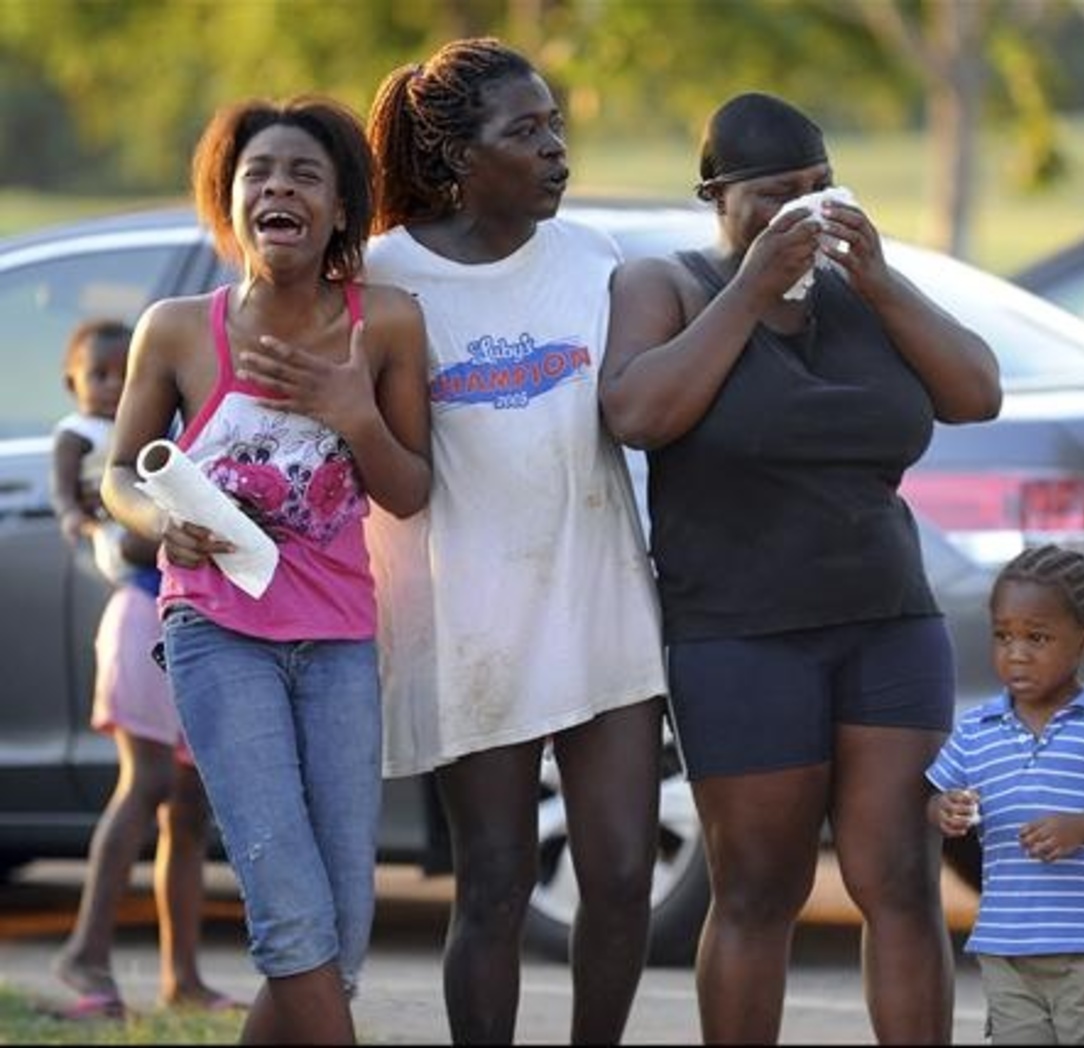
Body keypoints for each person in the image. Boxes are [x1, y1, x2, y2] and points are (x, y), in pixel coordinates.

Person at [597, 90, 1002, 1045]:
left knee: (898, 876)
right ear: (716, 196)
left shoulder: (862, 291)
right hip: (740, 632)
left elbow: (976, 392)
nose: (803, 211)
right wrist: (749, 290)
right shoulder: (670, 284)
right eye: (777, 195)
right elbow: (638, 415)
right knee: (760, 885)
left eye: (819, 190)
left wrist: (883, 278)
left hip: (887, 619)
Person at [101, 95, 432, 1044]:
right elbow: (122, 473)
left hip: (339, 644)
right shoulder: (174, 330)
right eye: (259, 174)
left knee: (343, 931)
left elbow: (411, 492)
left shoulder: (390, 327)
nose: (278, 188)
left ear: (339, 211)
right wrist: (159, 520)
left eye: (304, 177)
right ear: (228, 197)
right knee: (289, 906)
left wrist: (353, 411)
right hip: (215, 633)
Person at [363, 37, 668, 1045]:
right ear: (457, 157)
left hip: (601, 596)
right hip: (467, 621)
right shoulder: (384, 279)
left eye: (556, 126)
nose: (555, 150)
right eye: (524, 132)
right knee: (492, 881)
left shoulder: (593, 259)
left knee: (621, 874)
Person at [50, 319, 234, 1020]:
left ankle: (181, 979)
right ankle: (85, 954)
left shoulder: (183, 437)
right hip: (139, 622)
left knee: (189, 810)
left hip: (195, 626)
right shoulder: (108, 451)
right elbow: (109, 530)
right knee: (147, 781)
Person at [927, 544, 1084, 1045]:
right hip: (1007, 951)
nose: (1016, 652)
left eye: (1037, 637)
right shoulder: (977, 729)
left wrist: (1083, 828)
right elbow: (935, 796)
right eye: (1003, 636)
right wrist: (944, 809)